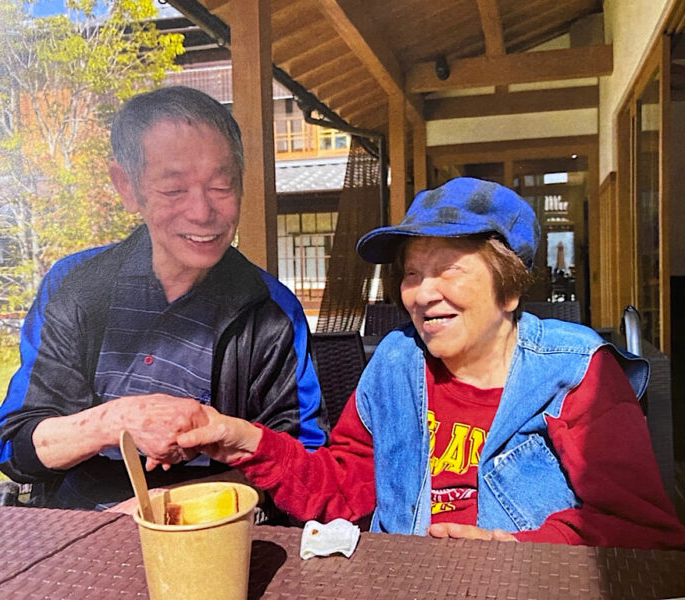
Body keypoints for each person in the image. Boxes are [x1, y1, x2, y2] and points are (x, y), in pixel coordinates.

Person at [170, 177, 685, 548]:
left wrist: (518, 548)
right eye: (412, 274)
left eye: (449, 269)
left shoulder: (575, 373)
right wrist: (246, 440)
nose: (421, 293)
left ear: (508, 290)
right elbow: (345, 489)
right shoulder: (396, 364)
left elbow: (642, 530)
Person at [0, 86, 328, 510]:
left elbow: (306, 465)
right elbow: (14, 444)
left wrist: (163, 508)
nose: (202, 212)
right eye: (174, 189)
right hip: (74, 528)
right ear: (127, 187)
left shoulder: (271, 311)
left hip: (209, 527)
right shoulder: (75, 286)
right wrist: (116, 421)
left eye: (222, 186)